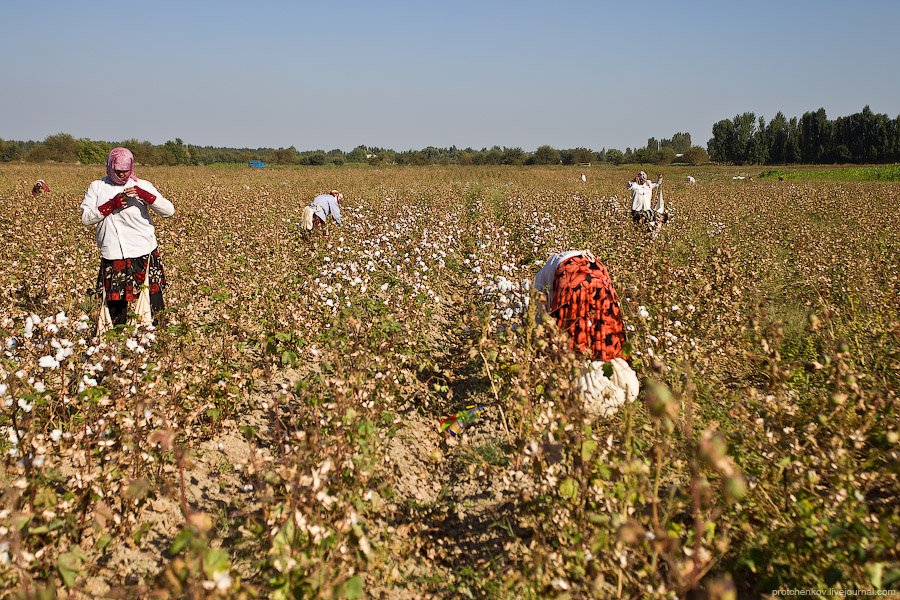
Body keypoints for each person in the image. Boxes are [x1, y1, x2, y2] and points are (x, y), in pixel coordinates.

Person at [535, 250, 639, 417]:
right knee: (606, 331)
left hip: (570, 276)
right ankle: (619, 381)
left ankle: (586, 390)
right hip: (597, 269)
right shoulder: (551, 265)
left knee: (572, 338)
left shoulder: (540, 280)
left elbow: (541, 319)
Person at [80, 147, 174, 327]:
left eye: (125, 171)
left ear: (131, 168)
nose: (122, 175)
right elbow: (86, 219)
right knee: (115, 306)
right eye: (117, 171)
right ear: (109, 167)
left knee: (152, 302)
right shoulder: (98, 187)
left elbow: (169, 211)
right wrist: (111, 205)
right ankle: (114, 342)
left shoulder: (142, 185)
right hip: (113, 253)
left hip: (143, 251)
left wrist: (144, 195)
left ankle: (156, 340)